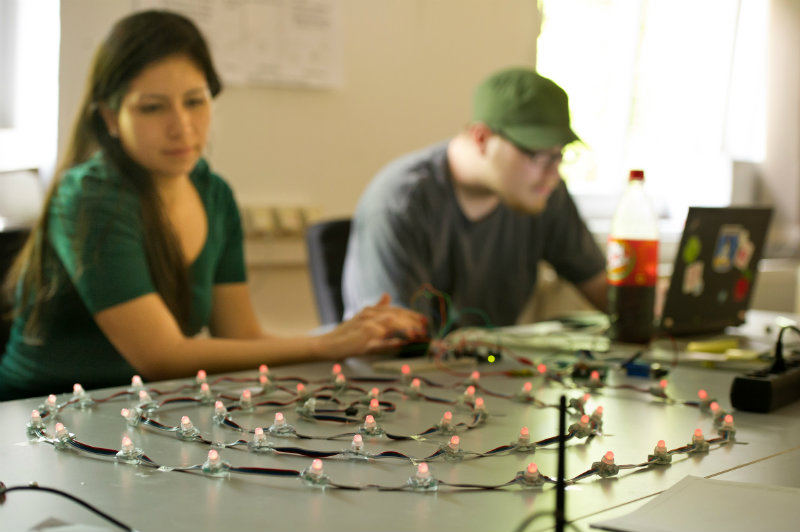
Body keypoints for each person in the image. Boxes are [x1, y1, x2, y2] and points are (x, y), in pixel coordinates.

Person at [0, 10, 426, 402]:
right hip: (40, 414)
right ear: (110, 118)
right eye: (152, 107)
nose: (182, 127)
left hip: (143, 409)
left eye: (195, 101)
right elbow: (161, 356)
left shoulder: (214, 194)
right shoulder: (88, 198)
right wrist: (325, 344)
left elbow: (241, 336)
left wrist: (352, 337)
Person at [342, 67, 607, 331]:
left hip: (494, 355)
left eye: (559, 154)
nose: (553, 173)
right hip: (417, 357)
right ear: (481, 138)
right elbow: (388, 337)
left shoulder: (545, 192)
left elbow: (600, 286)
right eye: (538, 154)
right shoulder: (400, 204)